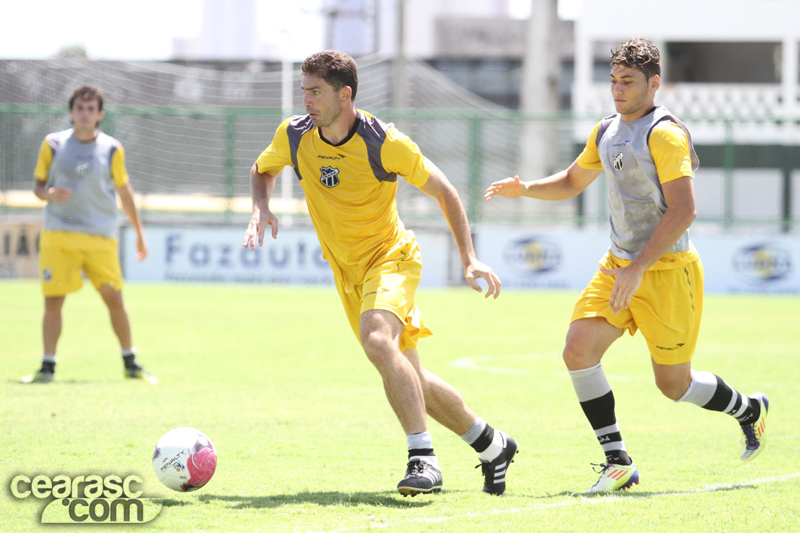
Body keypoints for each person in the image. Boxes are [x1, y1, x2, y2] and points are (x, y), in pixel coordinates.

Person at [485, 38, 768, 492]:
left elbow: (684, 210)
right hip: (618, 264)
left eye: (627, 81)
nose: (616, 89)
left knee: (673, 386)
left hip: (668, 272)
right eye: (613, 80)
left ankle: (748, 409)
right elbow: (574, 180)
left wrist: (638, 268)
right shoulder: (606, 130)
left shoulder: (665, 133)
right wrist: (527, 188)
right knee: (578, 349)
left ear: (653, 83)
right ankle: (618, 462)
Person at [243, 50, 517, 496]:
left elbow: (445, 191)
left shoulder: (383, 141)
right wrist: (261, 206)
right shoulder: (293, 135)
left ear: (344, 94)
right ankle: (491, 445)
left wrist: (469, 257)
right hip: (347, 273)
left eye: (316, 91)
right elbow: (262, 169)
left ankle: (422, 459)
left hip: (392, 258)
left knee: (377, 341)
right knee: (409, 377)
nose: (306, 99)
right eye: (304, 90)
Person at [22, 85, 155, 384]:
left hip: (100, 236)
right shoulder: (53, 144)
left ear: (99, 115)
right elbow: (37, 187)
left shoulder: (112, 149)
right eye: (79, 108)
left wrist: (138, 232)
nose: (85, 114)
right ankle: (47, 367)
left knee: (114, 298)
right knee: (53, 300)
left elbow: (124, 191)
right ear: (71, 112)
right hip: (60, 235)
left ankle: (130, 363)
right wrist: (50, 194)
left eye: (91, 109)